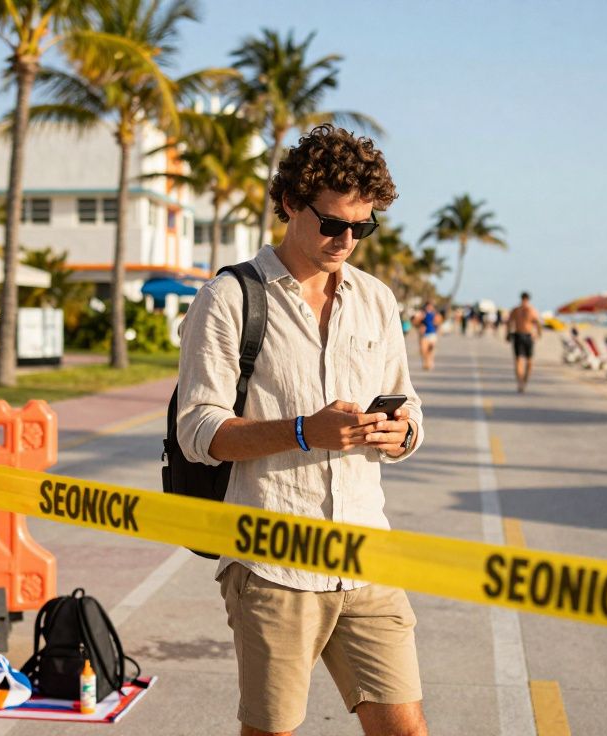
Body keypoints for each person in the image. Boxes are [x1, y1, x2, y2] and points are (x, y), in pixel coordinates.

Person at [176, 124, 427, 736]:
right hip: (272, 563)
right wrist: (303, 431)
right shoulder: (229, 298)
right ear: (290, 203)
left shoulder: (376, 300)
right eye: (333, 223)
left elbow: (410, 405)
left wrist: (401, 434)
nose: (347, 240)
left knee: (406, 729)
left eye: (362, 227)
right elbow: (198, 431)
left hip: (365, 556)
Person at [508, 291, 542, 393]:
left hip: (528, 336)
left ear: (528, 300)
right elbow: (509, 322)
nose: (524, 301)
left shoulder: (532, 310)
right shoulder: (516, 310)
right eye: (523, 299)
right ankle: (520, 382)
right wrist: (508, 333)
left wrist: (538, 334)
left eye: (525, 299)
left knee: (529, 361)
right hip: (518, 335)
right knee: (518, 360)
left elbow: (537, 323)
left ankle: (525, 380)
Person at [418, 301, 441, 371]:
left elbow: (438, 323)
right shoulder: (422, 314)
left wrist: (437, 328)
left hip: (432, 334)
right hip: (424, 335)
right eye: (428, 306)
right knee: (423, 350)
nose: (429, 307)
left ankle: (430, 363)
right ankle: (425, 362)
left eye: (430, 306)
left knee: (431, 350)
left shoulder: (435, 314)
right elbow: (416, 322)